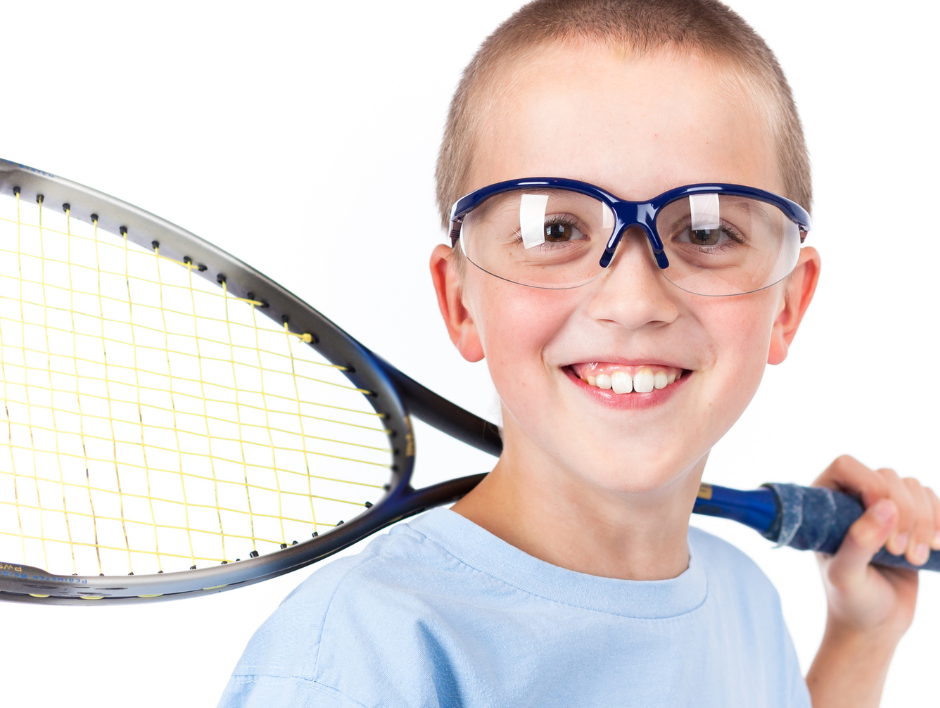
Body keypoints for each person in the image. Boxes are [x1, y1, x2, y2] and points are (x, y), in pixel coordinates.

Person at [218, 1, 940, 705]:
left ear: (787, 305)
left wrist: (861, 639)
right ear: (460, 301)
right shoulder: (364, 654)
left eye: (709, 232)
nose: (632, 300)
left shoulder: (744, 604)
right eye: (556, 231)